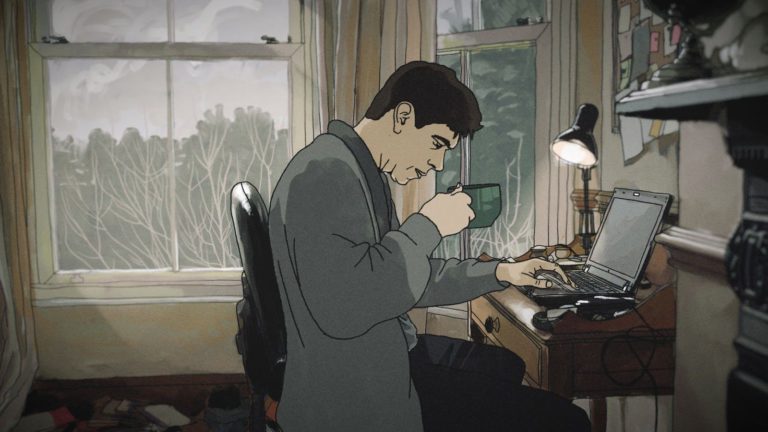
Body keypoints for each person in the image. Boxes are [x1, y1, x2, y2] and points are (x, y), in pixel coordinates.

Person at [268, 61, 591, 431]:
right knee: (567, 421)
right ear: (403, 117)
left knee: (506, 365)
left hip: (380, 354)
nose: (437, 164)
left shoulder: (358, 168)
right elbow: (347, 307)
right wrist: (429, 225)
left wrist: (504, 271)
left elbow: (404, 276)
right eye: (437, 144)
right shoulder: (325, 173)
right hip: (358, 387)